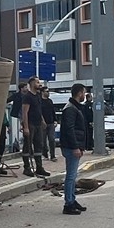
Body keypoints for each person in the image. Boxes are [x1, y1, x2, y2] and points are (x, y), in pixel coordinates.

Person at [59, 82, 94, 215]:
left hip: (74, 146)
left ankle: (72, 200)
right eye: (84, 92)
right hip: (71, 147)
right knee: (71, 176)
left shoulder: (75, 107)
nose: (85, 95)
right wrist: (75, 147)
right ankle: (68, 204)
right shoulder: (70, 109)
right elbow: (69, 129)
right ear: (79, 93)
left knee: (73, 176)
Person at [20, 76, 49, 178]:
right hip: (30, 124)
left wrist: (42, 120)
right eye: (37, 82)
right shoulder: (27, 96)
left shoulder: (38, 96)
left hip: (38, 124)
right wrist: (26, 127)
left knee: (39, 145)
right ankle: (27, 168)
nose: (39, 84)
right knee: (27, 146)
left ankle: (39, 167)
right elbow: (25, 113)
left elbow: (38, 110)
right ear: (32, 84)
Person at [40, 85, 58, 161]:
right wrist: (42, 121)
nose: (48, 93)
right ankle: (45, 154)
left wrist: (55, 120)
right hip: (43, 124)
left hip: (50, 123)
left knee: (52, 139)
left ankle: (53, 155)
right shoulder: (40, 101)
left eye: (48, 91)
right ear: (42, 92)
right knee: (43, 140)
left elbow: (53, 111)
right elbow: (39, 112)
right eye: (46, 91)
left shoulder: (50, 101)